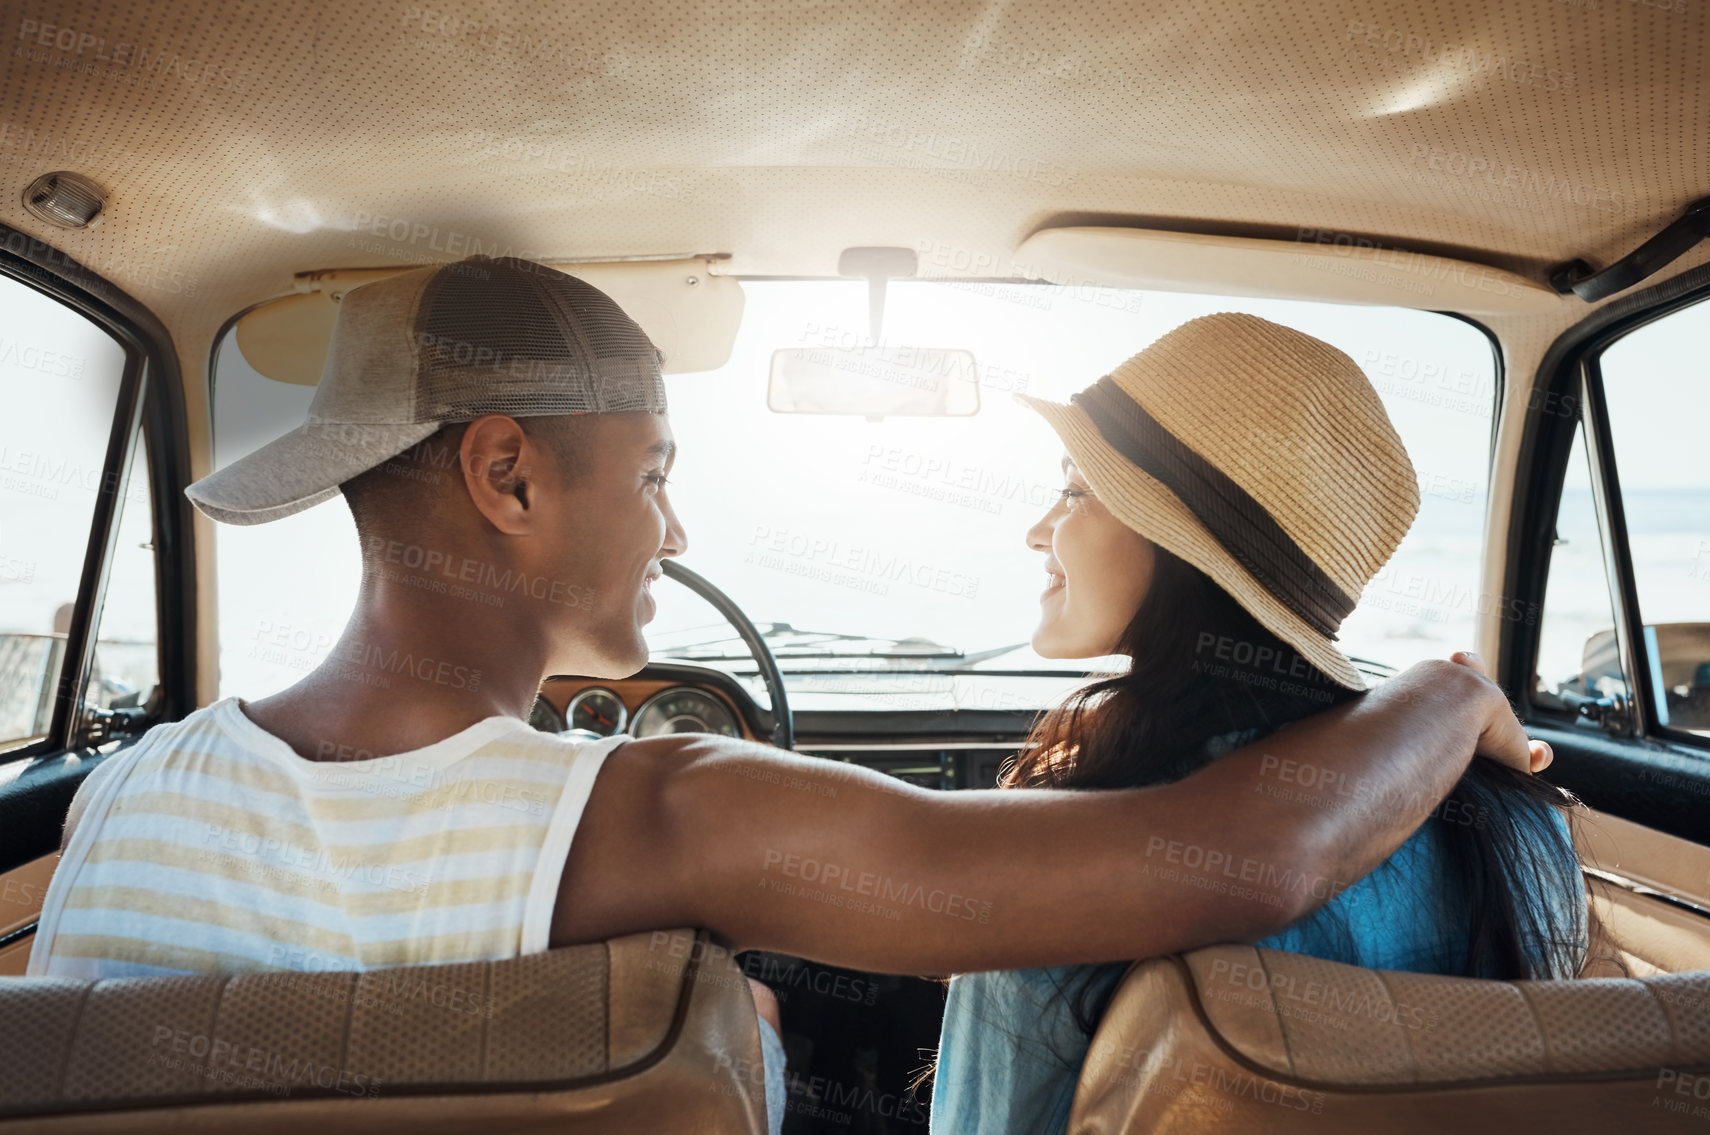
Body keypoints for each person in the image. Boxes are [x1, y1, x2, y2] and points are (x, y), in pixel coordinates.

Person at [27, 258, 1549, 1135]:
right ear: (507, 473)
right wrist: (1444, 689)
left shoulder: (114, 801)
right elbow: (1246, 853)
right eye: (657, 475)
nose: (676, 532)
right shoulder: (662, 808)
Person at [928, 313, 1589, 1134]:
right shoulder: (1520, 823)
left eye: (1074, 491)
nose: (1037, 529)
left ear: (1182, 545)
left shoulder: (1077, 863)